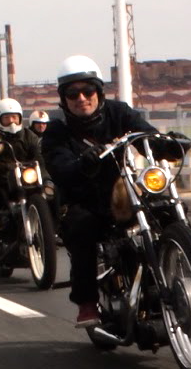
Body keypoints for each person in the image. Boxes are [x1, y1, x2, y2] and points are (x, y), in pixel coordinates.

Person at [40, 54, 182, 328]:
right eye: (72, 93)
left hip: (123, 193)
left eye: (87, 90)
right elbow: (60, 168)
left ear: (98, 91)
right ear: (64, 98)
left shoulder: (119, 112)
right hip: (82, 199)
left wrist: (170, 145)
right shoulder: (57, 131)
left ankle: (184, 275)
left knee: (166, 209)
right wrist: (83, 163)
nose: (81, 98)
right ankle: (87, 303)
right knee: (81, 227)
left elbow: (145, 135)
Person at [0, 97, 42, 252]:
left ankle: (53, 230)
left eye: (14, 117)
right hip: (1, 181)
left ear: (20, 117)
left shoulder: (29, 136)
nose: (11, 121)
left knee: (52, 194)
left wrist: (48, 178)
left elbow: (39, 157)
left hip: (27, 179)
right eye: (6, 118)